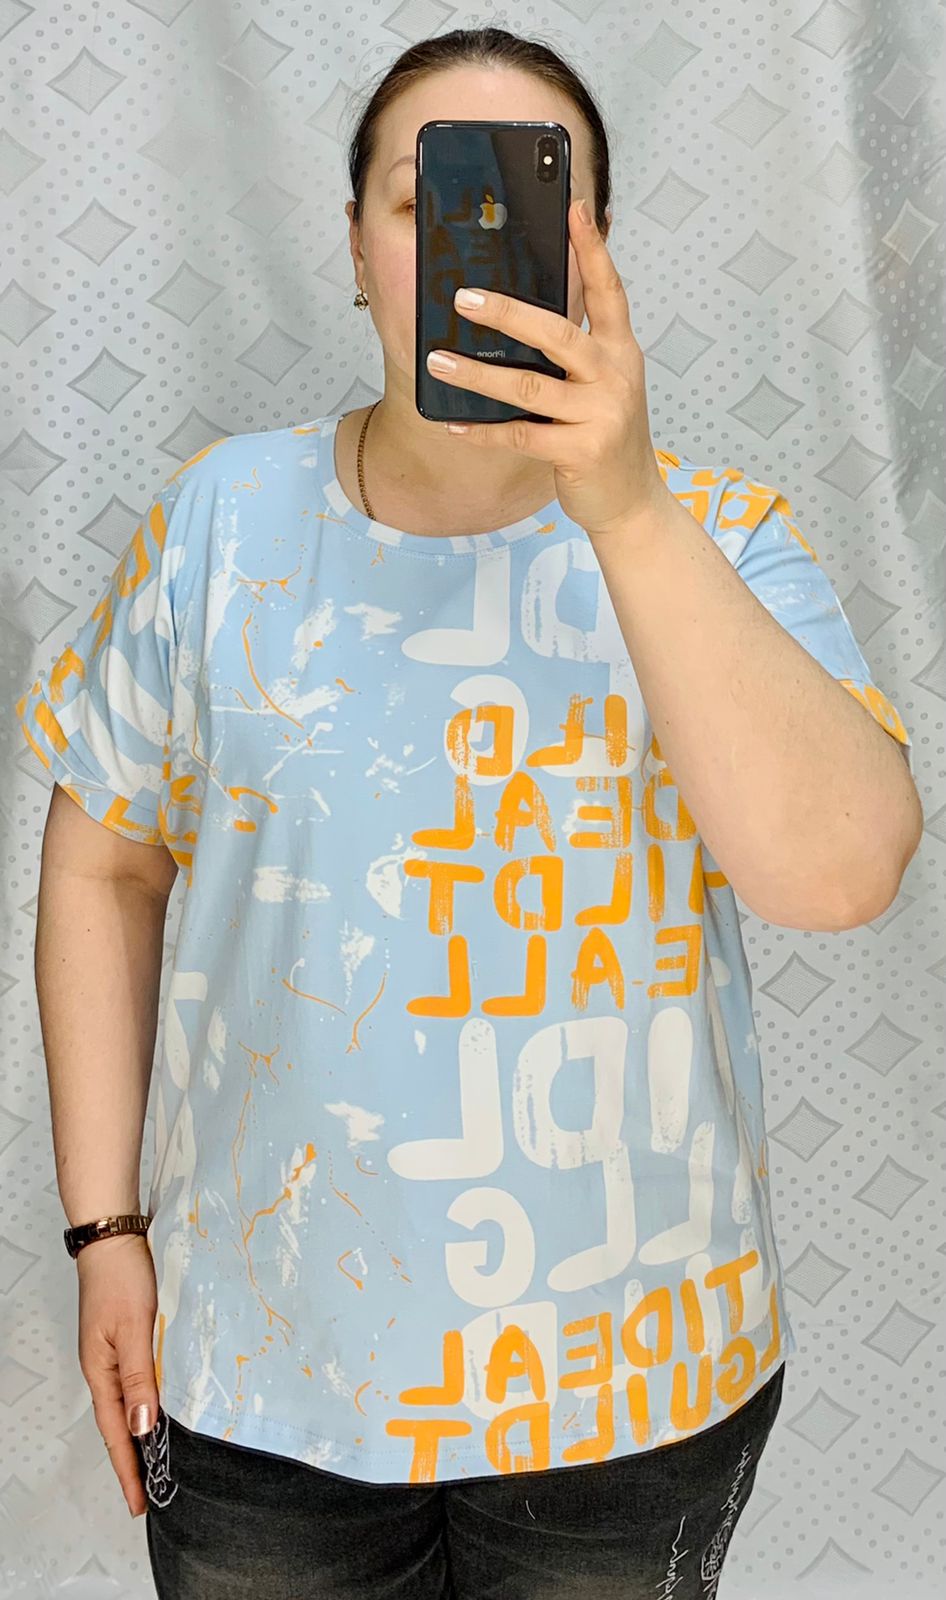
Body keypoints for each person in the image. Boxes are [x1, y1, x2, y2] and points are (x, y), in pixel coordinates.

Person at [19, 25, 920, 1600]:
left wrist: (621, 506)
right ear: (355, 249)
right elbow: (103, 866)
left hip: (633, 1393)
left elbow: (839, 873)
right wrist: (107, 1232)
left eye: (525, 199)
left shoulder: (717, 537)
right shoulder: (219, 523)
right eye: (421, 197)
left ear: (595, 252)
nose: (468, 246)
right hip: (259, 1378)